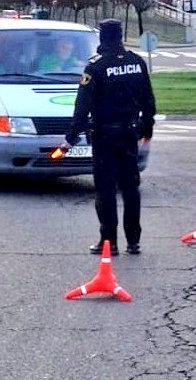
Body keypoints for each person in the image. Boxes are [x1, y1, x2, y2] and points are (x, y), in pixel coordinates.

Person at [60, 19, 156, 256]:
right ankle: (133, 241)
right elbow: (148, 100)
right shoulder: (136, 62)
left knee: (106, 189)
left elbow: (82, 107)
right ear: (121, 36)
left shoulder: (96, 66)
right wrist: (148, 129)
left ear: (102, 38)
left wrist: (70, 138)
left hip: (104, 136)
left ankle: (108, 242)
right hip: (129, 134)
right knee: (130, 187)